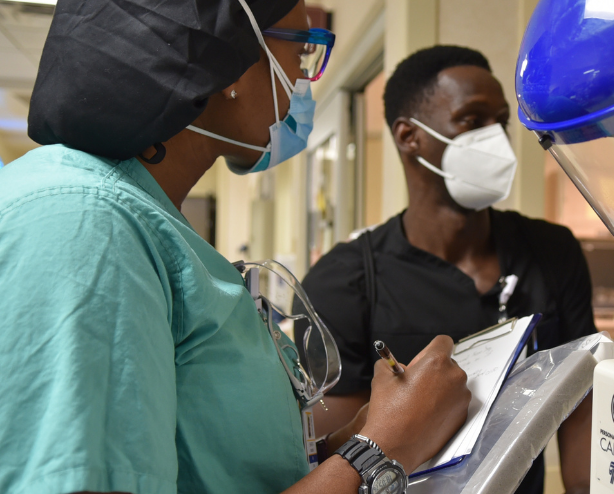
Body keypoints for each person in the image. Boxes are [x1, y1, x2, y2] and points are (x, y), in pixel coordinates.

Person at [0, 1, 472, 494]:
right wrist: (381, 447)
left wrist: (353, 440)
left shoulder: (142, 219)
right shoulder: (85, 223)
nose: (302, 82)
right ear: (234, 62)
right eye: (302, 52)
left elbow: (219, 468)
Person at [296, 45, 594, 494]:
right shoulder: (345, 281)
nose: (497, 139)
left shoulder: (551, 252)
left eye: (501, 121)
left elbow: (581, 412)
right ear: (408, 136)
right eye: (473, 120)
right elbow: (342, 465)